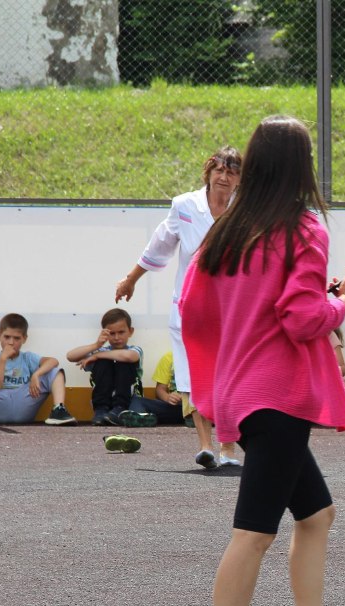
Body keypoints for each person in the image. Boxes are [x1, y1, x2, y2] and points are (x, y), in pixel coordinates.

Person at [180, 114, 345, 606]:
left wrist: (227, 362)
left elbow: (192, 308)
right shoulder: (303, 229)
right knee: (254, 533)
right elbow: (301, 317)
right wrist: (342, 301)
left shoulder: (226, 230)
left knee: (316, 517)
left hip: (243, 391)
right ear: (302, 165)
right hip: (278, 396)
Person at [114, 146, 242, 469]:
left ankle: (228, 450)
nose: (224, 177)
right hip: (190, 310)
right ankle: (205, 447)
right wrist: (131, 279)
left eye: (231, 172)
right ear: (208, 173)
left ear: (240, 178)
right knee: (191, 376)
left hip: (232, 312)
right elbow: (159, 245)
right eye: (219, 170)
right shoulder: (185, 206)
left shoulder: (246, 210)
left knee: (229, 378)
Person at [66, 307, 144, 426]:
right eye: (112, 333)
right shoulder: (101, 350)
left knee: (122, 360)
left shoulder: (135, 349)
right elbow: (70, 356)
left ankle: (120, 409)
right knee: (104, 361)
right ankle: (101, 410)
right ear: (105, 333)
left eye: (121, 332)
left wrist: (97, 356)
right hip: (104, 404)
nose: (117, 338)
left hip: (129, 402)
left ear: (131, 331)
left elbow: (130, 357)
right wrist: (96, 345)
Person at [120, 350, 188, 427]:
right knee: (138, 401)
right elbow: (160, 390)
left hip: (196, 407)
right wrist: (168, 398)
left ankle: (194, 419)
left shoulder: (203, 357)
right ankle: (142, 419)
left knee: (196, 409)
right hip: (177, 408)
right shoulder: (170, 357)